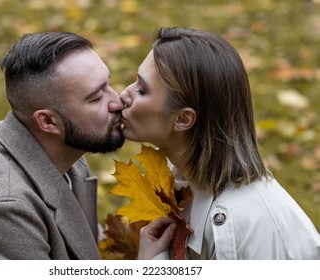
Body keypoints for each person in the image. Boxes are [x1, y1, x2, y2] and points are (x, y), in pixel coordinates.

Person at [119, 27, 320, 260]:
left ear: (183, 119)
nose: (124, 94)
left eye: (142, 90)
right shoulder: (181, 182)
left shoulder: (239, 224)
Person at [0, 31, 125, 259]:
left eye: (108, 84)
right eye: (96, 97)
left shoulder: (62, 154)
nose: (117, 101)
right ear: (48, 121)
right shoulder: (2, 211)